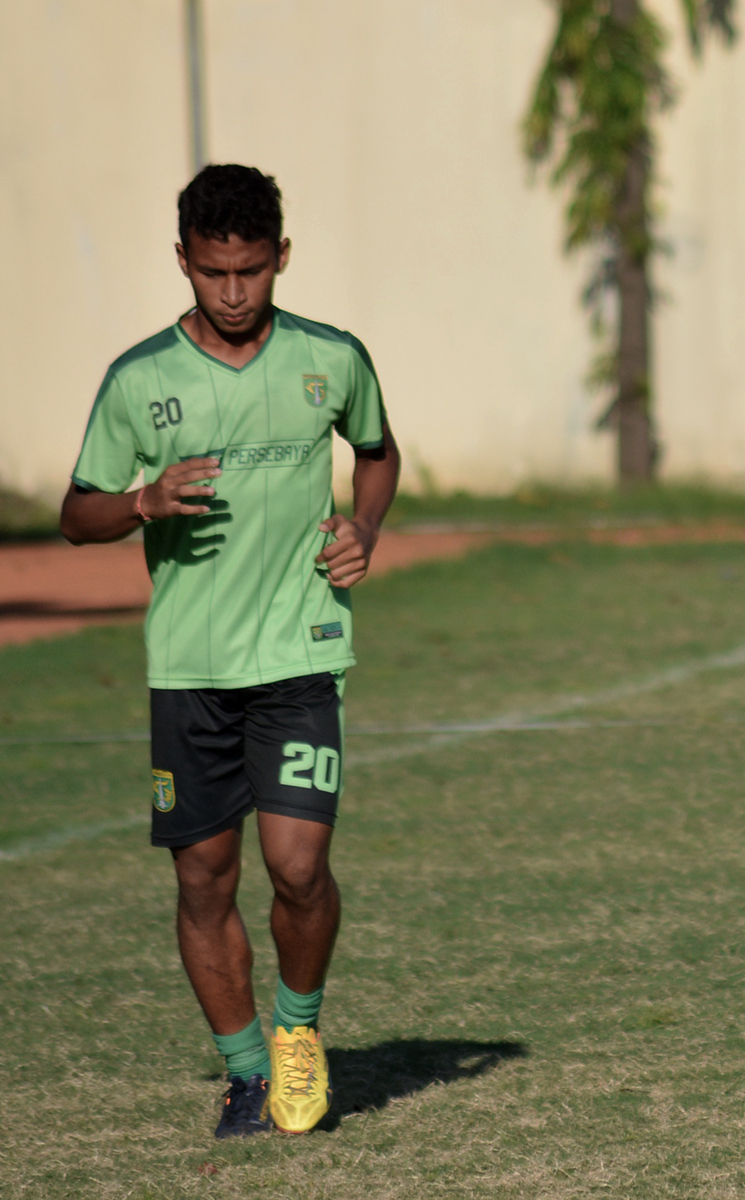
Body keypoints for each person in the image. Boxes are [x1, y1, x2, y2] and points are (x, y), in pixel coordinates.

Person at [60, 164, 401, 1137]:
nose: (235, 292)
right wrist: (139, 503)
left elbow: (376, 451)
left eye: (252, 270)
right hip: (191, 669)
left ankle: (298, 1032)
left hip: (299, 650)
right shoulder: (140, 380)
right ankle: (246, 1069)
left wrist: (365, 531)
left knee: (297, 869)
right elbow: (77, 511)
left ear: (280, 258)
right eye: (214, 272)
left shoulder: (330, 359)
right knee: (204, 877)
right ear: (184, 261)